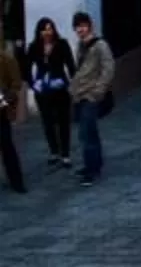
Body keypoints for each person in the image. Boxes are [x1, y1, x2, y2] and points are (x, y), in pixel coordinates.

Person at [68, 12, 111, 186]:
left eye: (83, 26)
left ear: (89, 26)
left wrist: (98, 91)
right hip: (79, 95)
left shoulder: (100, 45)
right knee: (87, 133)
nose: (80, 29)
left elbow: (108, 68)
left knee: (87, 133)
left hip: (91, 95)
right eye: (77, 27)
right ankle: (93, 164)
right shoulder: (80, 46)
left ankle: (92, 170)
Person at [25, 20, 72, 170]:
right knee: (47, 121)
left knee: (63, 120)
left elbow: (71, 65)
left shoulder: (62, 44)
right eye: (44, 30)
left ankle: (65, 154)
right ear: (39, 32)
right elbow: (26, 67)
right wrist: (33, 84)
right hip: (43, 90)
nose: (47, 32)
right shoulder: (34, 47)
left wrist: (72, 84)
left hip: (60, 87)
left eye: (50, 29)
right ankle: (54, 151)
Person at [0, 31, 25, 194]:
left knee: (6, 146)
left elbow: (16, 85)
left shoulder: (7, 60)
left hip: (1, 110)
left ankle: (17, 182)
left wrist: (4, 100)